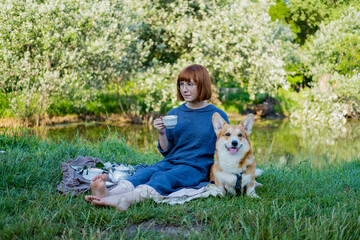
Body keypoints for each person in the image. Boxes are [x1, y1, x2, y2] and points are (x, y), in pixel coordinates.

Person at [85, 64, 229, 211]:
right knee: (146, 173)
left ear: (202, 84)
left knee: (163, 178)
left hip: (195, 168)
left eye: (190, 84)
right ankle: (108, 193)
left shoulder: (217, 116)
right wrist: (161, 132)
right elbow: (167, 151)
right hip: (171, 161)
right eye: (181, 84)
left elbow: (228, 148)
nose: (184, 89)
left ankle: (125, 200)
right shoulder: (175, 113)